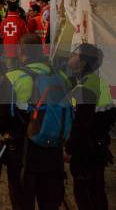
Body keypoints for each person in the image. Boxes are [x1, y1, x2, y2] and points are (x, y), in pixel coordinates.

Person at [0, 34, 67, 210]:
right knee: (50, 203)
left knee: (22, 203)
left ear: (21, 52)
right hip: (53, 152)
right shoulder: (61, 77)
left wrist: (9, 133)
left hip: (22, 153)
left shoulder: (14, 77)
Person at [65, 44, 116, 210]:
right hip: (98, 147)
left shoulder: (85, 88)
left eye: (74, 54)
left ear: (82, 62)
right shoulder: (99, 83)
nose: (69, 57)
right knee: (97, 192)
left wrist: (70, 150)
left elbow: (81, 125)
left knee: (85, 194)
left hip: (85, 151)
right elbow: (109, 116)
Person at [1, 0, 28, 69]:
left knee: (10, 65)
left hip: (7, 47)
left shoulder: (4, 21)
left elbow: (1, 34)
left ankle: (10, 78)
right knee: (19, 66)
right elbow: (26, 35)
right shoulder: (21, 21)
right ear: (17, 10)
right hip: (19, 47)